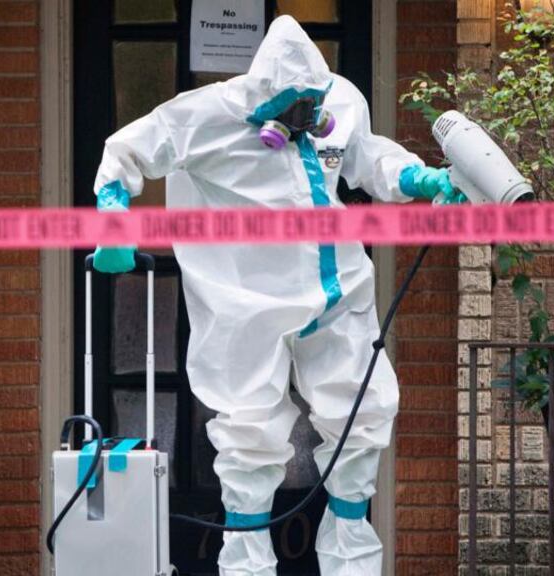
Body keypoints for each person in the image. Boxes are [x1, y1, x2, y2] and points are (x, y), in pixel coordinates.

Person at [91, 15, 459, 576]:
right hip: (246, 303)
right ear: (263, 104)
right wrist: (113, 225)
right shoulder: (206, 114)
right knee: (249, 433)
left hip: (339, 295)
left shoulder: (339, 103)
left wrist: (420, 179)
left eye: (312, 108)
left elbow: (368, 157)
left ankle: (352, 564)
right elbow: (125, 153)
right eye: (294, 112)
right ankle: (246, 567)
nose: (307, 120)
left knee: (361, 418)